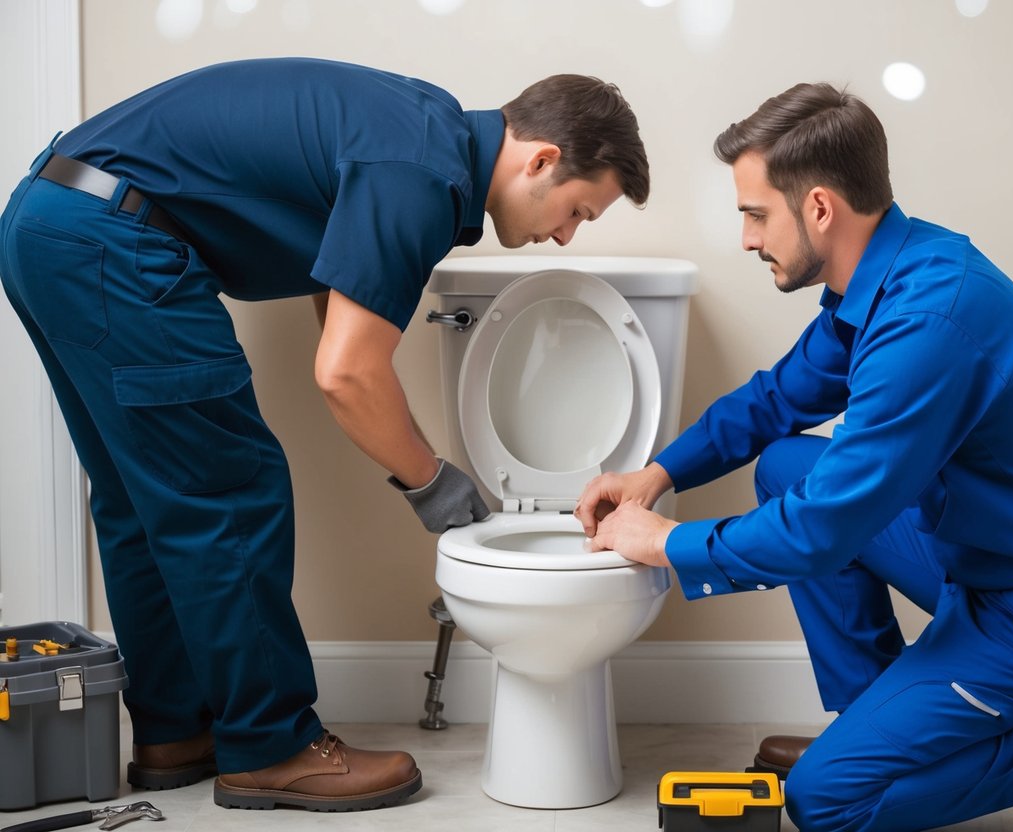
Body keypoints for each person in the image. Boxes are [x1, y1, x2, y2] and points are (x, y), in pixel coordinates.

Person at [0, 57, 648, 813]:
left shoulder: (417, 133)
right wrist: (427, 479)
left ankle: (175, 731)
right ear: (541, 160)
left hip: (53, 221)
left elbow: (340, 321)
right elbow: (344, 373)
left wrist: (393, 439)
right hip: (115, 239)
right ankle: (273, 747)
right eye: (578, 210)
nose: (567, 236)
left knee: (143, 504)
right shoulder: (422, 173)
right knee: (231, 497)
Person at [575, 82, 1013, 832]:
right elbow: (775, 401)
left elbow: (821, 532)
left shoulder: (927, 320)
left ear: (819, 207)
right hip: (985, 562)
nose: (746, 238)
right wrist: (658, 474)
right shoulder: (883, 278)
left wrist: (665, 542)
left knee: (826, 801)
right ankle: (875, 726)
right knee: (785, 467)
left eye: (755, 214)